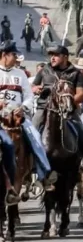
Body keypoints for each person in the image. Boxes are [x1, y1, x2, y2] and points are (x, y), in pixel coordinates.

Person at [0, 41, 57, 205]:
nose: (16, 57)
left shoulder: (20, 74)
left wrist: (23, 107)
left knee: (36, 138)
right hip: (0, 118)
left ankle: (44, 174)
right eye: (13, 55)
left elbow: (29, 95)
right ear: (5, 55)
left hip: (18, 117)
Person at [31, 45, 83, 171]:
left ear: (65, 57)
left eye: (56, 55)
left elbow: (81, 93)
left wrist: (69, 99)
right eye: (51, 55)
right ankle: (30, 160)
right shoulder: (45, 70)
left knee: (81, 131)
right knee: (32, 129)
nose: (52, 58)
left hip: (67, 109)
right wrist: (36, 89)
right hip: (45, 107)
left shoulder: (76, 73)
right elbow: (34, 85)